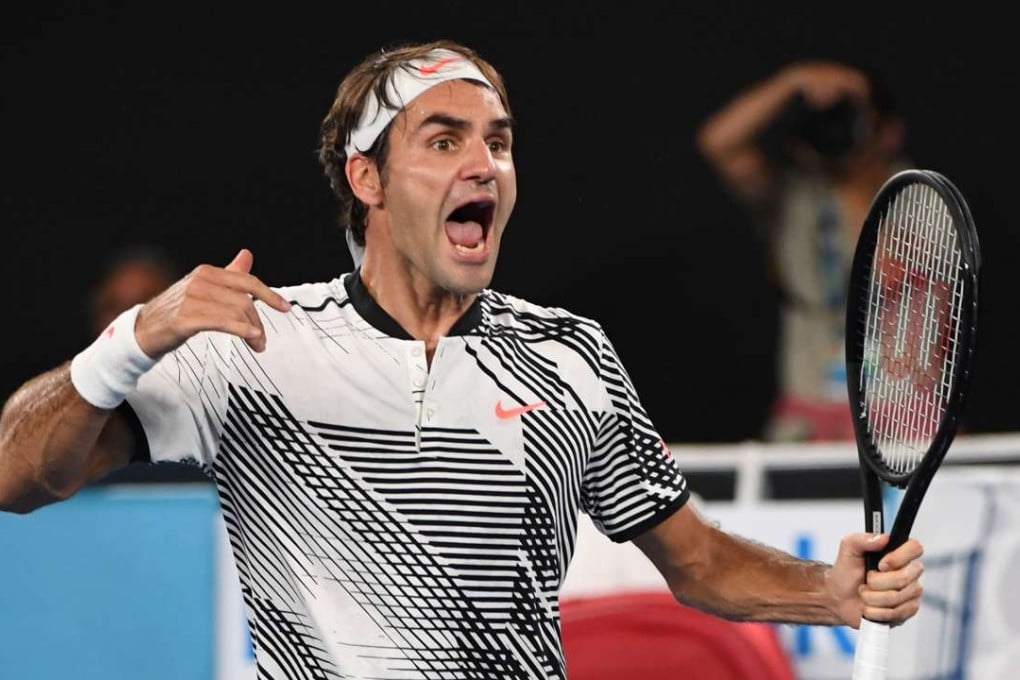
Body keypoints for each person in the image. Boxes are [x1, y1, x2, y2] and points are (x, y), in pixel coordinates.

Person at [0, 40, 924, 679]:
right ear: (367, 179)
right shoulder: (253, 344)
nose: (484, 165)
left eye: (499, 142)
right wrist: (126, 343)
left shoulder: (570, 356)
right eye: (443, 141)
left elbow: (698, 562)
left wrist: (827, 591)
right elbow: (17, 475)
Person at [696, 60, 911, 442]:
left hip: (898, 420)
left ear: (889, 133)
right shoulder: (796, 194)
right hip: (806, 419)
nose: (839, 135)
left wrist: (853, 179)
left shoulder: (920, 194)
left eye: (854, 123)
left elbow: (887, 276)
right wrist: (791, 81)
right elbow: (718, 143)